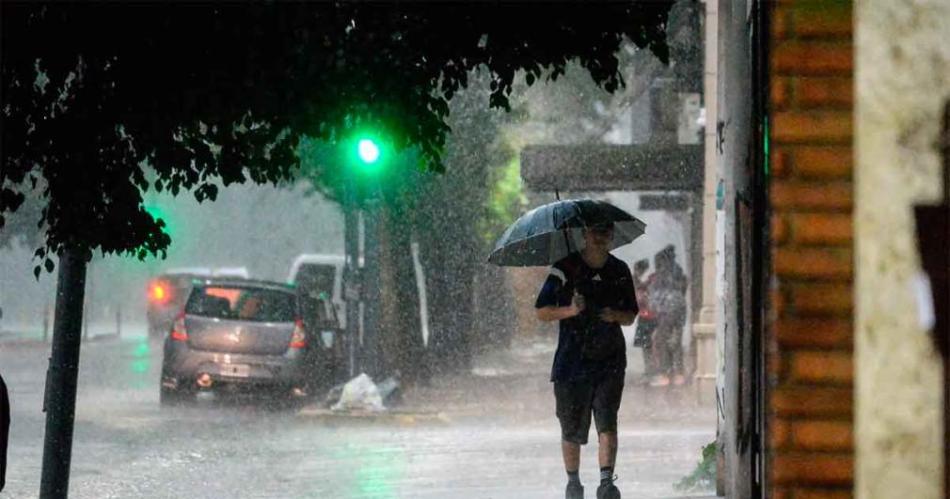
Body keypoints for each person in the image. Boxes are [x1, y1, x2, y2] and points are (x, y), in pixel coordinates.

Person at [535, 222, 638, 499]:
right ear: (584, 234)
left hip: (609, 360)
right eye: (595, 231)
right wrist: (570, 309)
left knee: (607, 420)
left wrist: (614, 315)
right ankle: (574, 482)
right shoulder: (564, 269)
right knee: (571, 426)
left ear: (612, 235)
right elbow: (542, 311)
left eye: (605, 231)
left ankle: (606, 483)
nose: (600, 236)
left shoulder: (619, 271)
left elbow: (630, 315)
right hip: (571, 362)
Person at [648, 245, 688, 387]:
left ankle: (665, 374)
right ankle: (679, 374)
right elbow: (683, 289)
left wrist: (653, 306)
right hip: (679, 310)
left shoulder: (662, 274)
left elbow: (655, 294)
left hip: (666, 311)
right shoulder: (678, 271)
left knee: (662, 342)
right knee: (676, 341)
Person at [631, 260, 658, 383]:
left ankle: (650, 372)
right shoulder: (638, 281)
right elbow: (639, 298)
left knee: (648, 346)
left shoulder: (641, 282)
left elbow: (639, 299)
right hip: (648, 316)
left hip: (647, 317)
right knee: (648, 346)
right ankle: (650, 371)